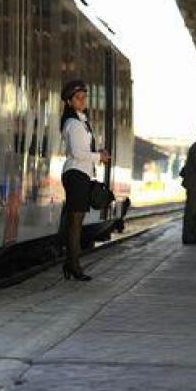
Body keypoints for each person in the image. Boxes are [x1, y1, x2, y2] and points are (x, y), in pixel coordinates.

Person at [59, 80, 110, 281]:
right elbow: (78, 152)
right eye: (78, 98)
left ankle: (71, 263)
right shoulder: (73, 123)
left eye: (84, 97)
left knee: (76, 222)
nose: (82, 100)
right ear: (70, 102)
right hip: (75, 174)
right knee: (75, 223)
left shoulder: (81, 121)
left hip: (81, 174)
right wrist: (99, 156)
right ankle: (74, 266)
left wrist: (98, 155)